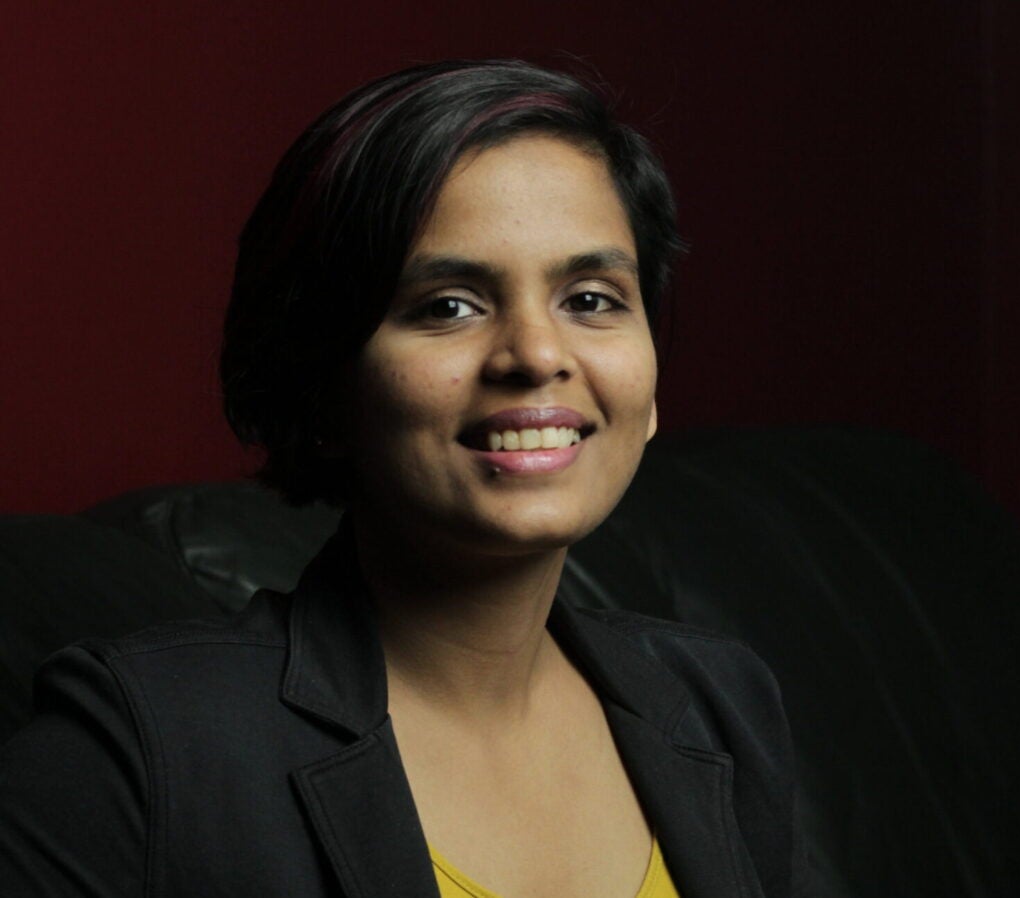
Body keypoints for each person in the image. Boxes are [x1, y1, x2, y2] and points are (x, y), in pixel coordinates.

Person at [0, 60, 806, 897]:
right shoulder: (136, 749)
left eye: (593, 298)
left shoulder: (721, 702)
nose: (536, 354)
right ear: (322, 385)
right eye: (448, 305)